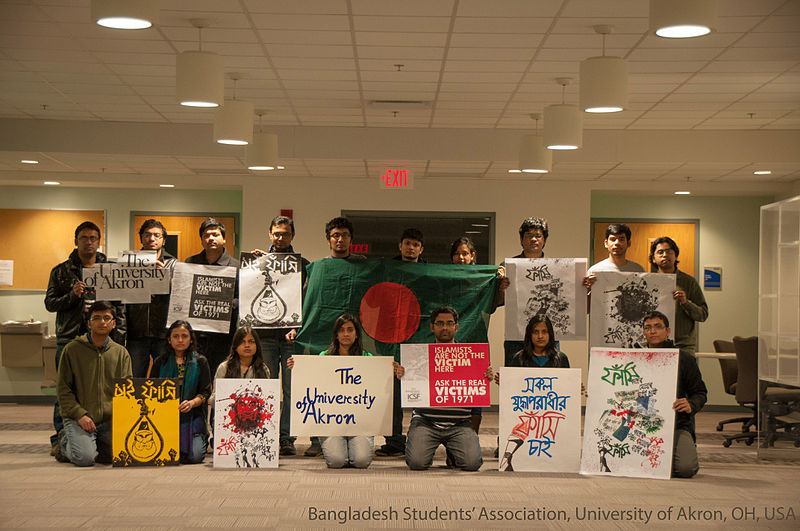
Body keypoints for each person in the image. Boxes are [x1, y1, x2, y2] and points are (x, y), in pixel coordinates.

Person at [44, 221, 125, 456]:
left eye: (93, 238)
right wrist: (72, 295)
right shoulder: (61, 271)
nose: (88, 242)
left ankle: (97, 432)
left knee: (102, 388)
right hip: (70, 339)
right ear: (75, 241)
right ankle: (62, 436)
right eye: (84, 238)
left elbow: (120, 307)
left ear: (99, 241)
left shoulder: (111, 269)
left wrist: (118, 339)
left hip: (103, 341)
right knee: (66, 389)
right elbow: (50, 304)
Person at [395, 306, 491, 471]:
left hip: (460, 423)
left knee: (472, 464)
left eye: (449, 323)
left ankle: (454, 451)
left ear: (456, 327)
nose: (445, 328)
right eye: (439, 323)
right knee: (417, 463)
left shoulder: (471, 357)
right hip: (425, 421)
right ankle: (433, 447)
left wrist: (485, 377)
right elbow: (411, 391)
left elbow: (476, 398)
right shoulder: (419, 357)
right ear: (432, 327)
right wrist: (403, 375)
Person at [251, 215, 310, 457]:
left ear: (292, 235)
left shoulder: (303, 264)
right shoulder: (256, 262)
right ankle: (266, 431)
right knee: (267, 387)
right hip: (264, 335)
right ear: (269, 234)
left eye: (285, 233)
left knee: (291, 388)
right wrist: (252, 265)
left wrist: (299, 325)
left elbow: (307, 299)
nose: (280, 237)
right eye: (276, 233)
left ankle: (286, 437)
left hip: (290, 336)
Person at [288, 314, 374, 468]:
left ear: (356, 334)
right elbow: (311, 382)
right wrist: (297, 367)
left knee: (361, 461)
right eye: (341, 330)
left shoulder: (368, 358)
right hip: (331, 422)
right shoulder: (324, 357)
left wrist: (393, 370)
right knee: (336, 461)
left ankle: (351, 447)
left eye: (350, 330)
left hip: (360, 422)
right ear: (336, 334)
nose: (346, 334)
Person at [54, 301, 132, 466]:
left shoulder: (121, 353)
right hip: (79, 418)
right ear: (89, 323)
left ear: (113, 324)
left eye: (106, 318)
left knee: (117, 456)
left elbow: (126, 390)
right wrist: (79, 415)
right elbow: (63, 389)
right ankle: (64, 442)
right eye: (96, 318)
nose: (102, 322)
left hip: (108, 420)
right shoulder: (72, 350)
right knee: (85, 458)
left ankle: (92, 442)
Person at [494, 313, 570, 471]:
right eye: (535, 332)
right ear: (529, 334)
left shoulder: (561, 359)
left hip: (551, 413)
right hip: (526, 414)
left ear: (551, 334)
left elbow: (566, 389)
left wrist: (575, 388)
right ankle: (508, 458)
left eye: (544, 332)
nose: (540, 336)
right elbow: (513, 393)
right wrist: (505, 382)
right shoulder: (519, 358)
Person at [641, 311, 707, 478]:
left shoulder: (683, 359)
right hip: (639, 423)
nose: (653, 331)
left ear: (668, 331)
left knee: (686, 469)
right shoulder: (635, 358)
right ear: (643, 332)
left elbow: (700, 392)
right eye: (648, 328)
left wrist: (691, 404)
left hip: (676, 423)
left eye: (658, 327)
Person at [149, 320, 211, 464]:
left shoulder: (201, 361)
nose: (180, 340)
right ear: (169, 340)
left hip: (192, 415)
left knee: (194, 456)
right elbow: (151, 390)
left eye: (184, 336)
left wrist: (191, 403)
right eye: (175, 336)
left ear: (191, 339)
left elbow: (205, 393)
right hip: (164, 417)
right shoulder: (160, 362)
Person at [185, 218, 240, 373]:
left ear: (224, 239)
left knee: (221, 375)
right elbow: (184, 294)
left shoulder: (236, 266)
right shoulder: (191, 262)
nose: (211, 238)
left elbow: (242, 298)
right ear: (202, 240)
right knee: (195, 375)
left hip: (224, 335)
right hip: (196, 334)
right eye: (206, 235)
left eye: (215, 235)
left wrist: (222, 304)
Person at [126, 219, 177, 377]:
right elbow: (123, 295)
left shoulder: (174, 265)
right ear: (141, 238)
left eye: (157, 235)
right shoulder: (128, 264)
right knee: (134, 379)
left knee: (164, 379)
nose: (152, 239)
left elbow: (179, 296)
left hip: (163, 333)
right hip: (136, 333)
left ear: (163, 240)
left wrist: (163, 278)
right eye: (147, 235)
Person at [499, 218, 550, 366]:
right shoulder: (508, 266)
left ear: (544, 240)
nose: (534, 239)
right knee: (514, 382)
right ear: (521, 239)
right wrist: (501, 288)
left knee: (549, 380)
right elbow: (497, 302)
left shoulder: (556, 268)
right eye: (528, 235)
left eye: (538, 235)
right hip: (516, 336)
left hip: (547, 336)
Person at [649, 237, 709, 355]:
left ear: (675, 256)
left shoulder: (689, 282)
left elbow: (703, 315)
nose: (665, 255)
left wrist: (686, 302)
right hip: (654, 345)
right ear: (653, 259)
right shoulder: (647, 282)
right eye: (660, 252)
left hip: (682, 347)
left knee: (684, 374)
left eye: (669, 251)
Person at [583, 223, 644, 292]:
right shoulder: (594, 271)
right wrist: (588, 287)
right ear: (606, 243)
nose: (617, 243)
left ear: (629, 243)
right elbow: (586, 299)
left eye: (621, 239)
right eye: (613, 239)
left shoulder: (638, 270)